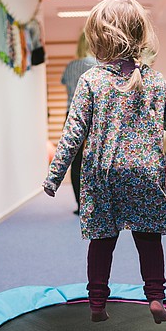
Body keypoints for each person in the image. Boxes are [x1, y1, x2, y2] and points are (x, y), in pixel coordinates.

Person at [43, 0, 166, 324]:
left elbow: (72, 134)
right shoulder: (153, 79)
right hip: (145, 173)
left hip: (102, 174)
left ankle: (97, 304)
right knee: (149, 238)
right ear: (140, 37)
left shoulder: (91, 80)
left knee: (102, 241)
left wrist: (54, 176)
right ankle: (155, 296)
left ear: (97, 39)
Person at [61, 32, 97, 214]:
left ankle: (80, 204)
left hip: (71, 116)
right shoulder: (97, 66)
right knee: (95, 159)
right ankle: (96, 203)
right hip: (93, 116)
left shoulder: (70, 67)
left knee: (75, 161)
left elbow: (65, 84)